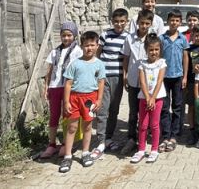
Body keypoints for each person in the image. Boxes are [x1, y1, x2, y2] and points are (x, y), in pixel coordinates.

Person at [59, 31, 106, 173]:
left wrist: (99, 99)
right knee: (72, 127)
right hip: (74, 98)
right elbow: (68, 84)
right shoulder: (75, 64)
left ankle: (85, 153)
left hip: (90, 99)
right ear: (82, 46)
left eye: (92, 45)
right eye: (86, 45)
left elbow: (101, 82)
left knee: (87, 127)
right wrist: (66, 102)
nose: (89, 48)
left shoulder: (99, 64)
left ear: (97, 46)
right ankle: (67, 156)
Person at [41, 22, 82, 159]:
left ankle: (66, 143)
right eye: (63, 35)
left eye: (69, 35)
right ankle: (51, 144)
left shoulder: (78, 51)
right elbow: (50, 70)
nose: (66, 38)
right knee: (54, 116)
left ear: (74, 36)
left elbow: (79, 70)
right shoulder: (54, 52)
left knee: (67, 116)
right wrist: (46, 86)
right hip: (55, 87)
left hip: (69, 88)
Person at [92, 9, 128, 158]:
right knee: (102, 109)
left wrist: (125, 76)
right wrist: (97, 72)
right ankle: (100, 141)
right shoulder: (105, 34)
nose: (119, 24)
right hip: (104, 77)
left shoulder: (127, 37)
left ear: (127, 22)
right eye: (116, 21)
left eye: (122, 21)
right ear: (112, 21)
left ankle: (108, 138)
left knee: (114, 109)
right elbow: (98, 53)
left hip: (118, 77)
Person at [130, 34, 168, 163]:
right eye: (151, 49)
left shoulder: (161, 63)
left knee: (154, 124)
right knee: (143, 124)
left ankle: (154, 149)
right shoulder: (142, 64)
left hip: (157, 98)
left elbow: (159, 81)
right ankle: (141, 149)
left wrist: (153, 98)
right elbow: (143, 82)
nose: (154, 52)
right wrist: (147, 97)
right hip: (144, 98)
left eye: (156, 49)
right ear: (146, 50)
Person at [121, 9, 154, 154]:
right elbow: (126, 57)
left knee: (148, 110)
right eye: (142, 23)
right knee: (133, 111)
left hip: (149, 82)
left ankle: (146, 137)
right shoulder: (129, 38)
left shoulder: (153, 39)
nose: (144, 26)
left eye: (147, 23)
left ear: (151, 24)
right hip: (134, 79)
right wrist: (125, 74)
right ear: (137, 23)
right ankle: (131, 139)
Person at [158, 9, 189, 152]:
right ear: (168, 21)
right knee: (164, 107)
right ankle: (165, 135)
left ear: (180, 22)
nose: (174, 23)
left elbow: (185, 58)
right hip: (164, 77)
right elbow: (158, 58)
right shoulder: (162, 38)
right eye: (172, 20)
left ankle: (174, 136)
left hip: (178, 77)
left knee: (177, 107)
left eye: (177, 20)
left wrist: (185, 76)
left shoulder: (182, 39)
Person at [185, 25, 199, 141]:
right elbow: (186, 67)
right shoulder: (189, 49)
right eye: (196, 35)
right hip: (192, 82)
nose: (198, 38)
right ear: (192, 36)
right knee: (192, 106)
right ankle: (192, 130)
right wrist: (185, 80)